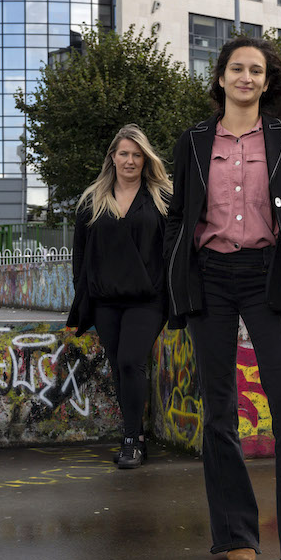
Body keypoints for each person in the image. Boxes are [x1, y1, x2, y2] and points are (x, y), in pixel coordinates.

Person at [164, 38, 281, 560]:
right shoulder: (192, 142)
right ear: (220, 79)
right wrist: (178, 279)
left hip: (269, 276)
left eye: (255, 70)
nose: (245, 77)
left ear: (267, 82)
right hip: (210, 278)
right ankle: (236, 535)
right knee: (219, 411)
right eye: (236, 68)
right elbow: (178, 217)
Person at [66, 124, 172, 470]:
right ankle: (135, 432)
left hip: (148, 298)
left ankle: (130, 441)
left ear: (146, 159)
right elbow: (80, 255)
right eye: (123, 153)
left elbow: (172, 250)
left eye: (136, 154)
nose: (130, 160)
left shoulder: (162, 198)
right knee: (118, 365)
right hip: (106, 299)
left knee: (131, 361)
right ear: (112, 157)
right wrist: (82, 296)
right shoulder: (91, 200)